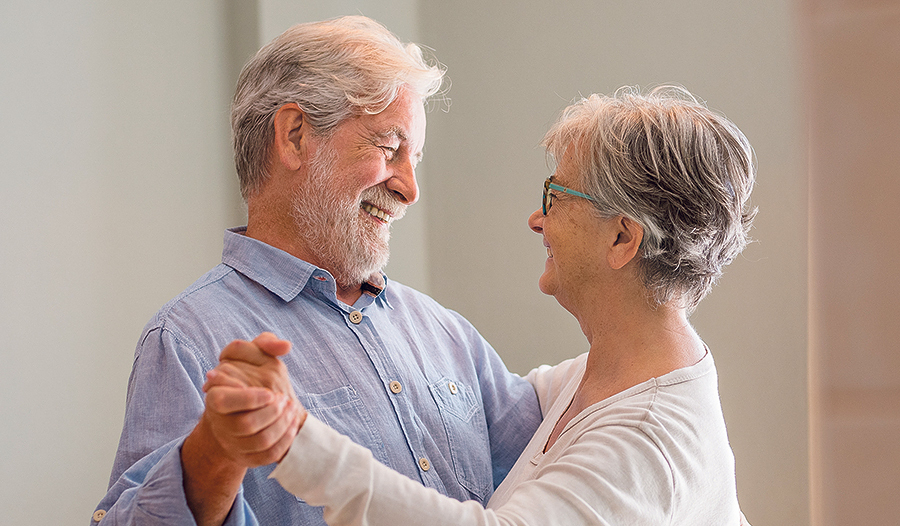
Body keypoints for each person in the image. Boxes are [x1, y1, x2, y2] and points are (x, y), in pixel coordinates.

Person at [204, 86, 757, 524]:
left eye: (556, 196)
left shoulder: (651, 440)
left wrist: (299, 442)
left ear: (622, 239)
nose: (536, 219)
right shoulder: (589, 383)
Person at [92, 16, 542, 526]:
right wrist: (214, 453)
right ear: (295, 135)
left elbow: (557, 465)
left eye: (414, 159)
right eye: (389, 149)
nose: (409, 189)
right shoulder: (187, 339)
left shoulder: (446, 333)